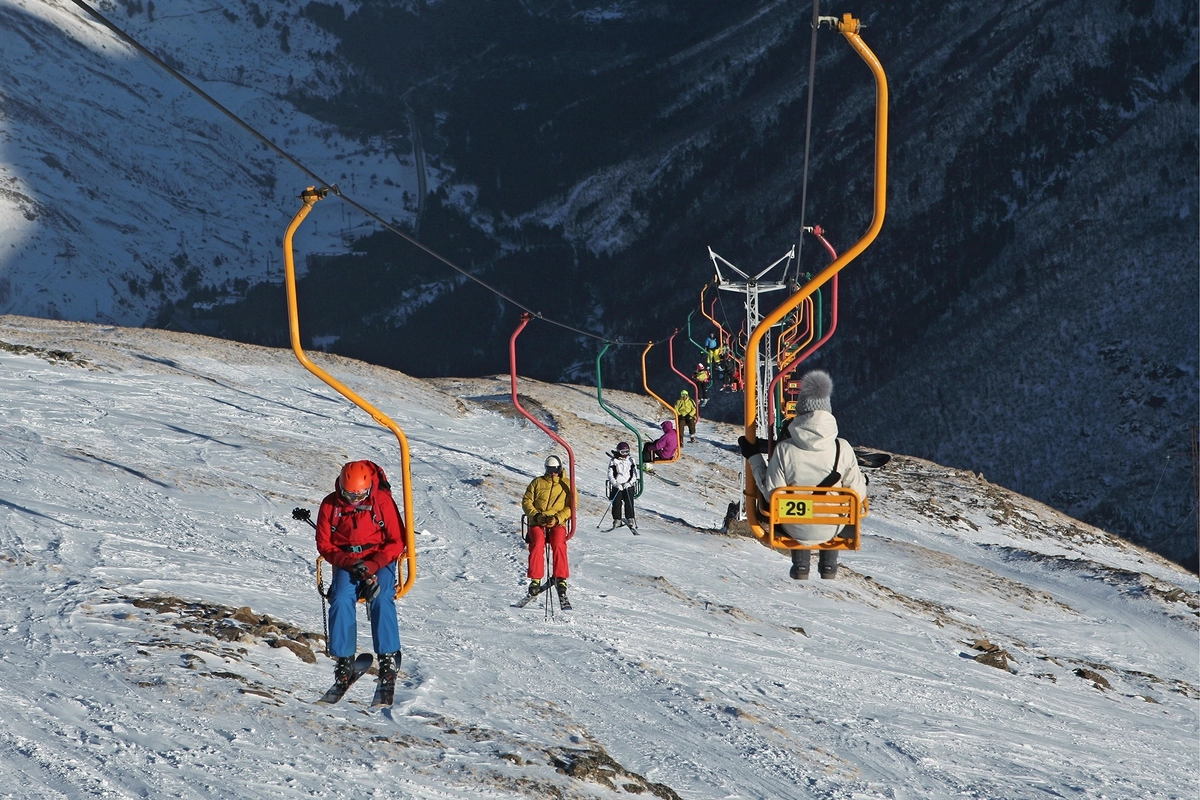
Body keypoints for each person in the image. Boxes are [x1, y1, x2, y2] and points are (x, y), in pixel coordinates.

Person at [738, 370, 865, 580]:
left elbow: (772, 493)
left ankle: (801, 567)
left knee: (797, 508)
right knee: (830, 506)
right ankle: (828, 566)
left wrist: (753, 457)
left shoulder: (784, 450)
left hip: (793, 526)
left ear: (800, 412)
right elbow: (858, 493)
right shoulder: (842, 448)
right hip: (833, 527)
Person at [315, 460, 406, 691]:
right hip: (347, 562)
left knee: (382, 594)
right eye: (349, 495)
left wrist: (374, 564)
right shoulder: (330, 505)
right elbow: (324, 544)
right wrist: (349, 563)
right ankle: (344, 659)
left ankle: (387, 657)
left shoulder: (382, 502)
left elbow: (397, 540)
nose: (354, 501)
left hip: (379, 559)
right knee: (341, 597)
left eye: (360, 496)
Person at [522, 455, 574, 602]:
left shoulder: (567, 484)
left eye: (555, 470)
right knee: (537, 543)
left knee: (558, 543)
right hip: (538, 521)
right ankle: (535, 578)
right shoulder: (537, 483)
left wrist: (557, 518)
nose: (553, 473)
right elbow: (527, 502)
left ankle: (560, 577)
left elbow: (572, 506)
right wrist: (537, 516)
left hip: (557, 521)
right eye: (550, 470)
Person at [607, 441, 638, 531]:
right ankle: (617, 519)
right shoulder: (614, 461)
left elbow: (635, 474)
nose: (625, 454)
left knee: (629, 502)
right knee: (616, 503)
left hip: (628, 485)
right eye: (623, 452)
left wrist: (630, 483)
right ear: (619, 451)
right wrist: (616, 484)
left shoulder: (631, 460)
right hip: (618, 485)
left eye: (627, 452)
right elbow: (610, 474)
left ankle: (630, 518)